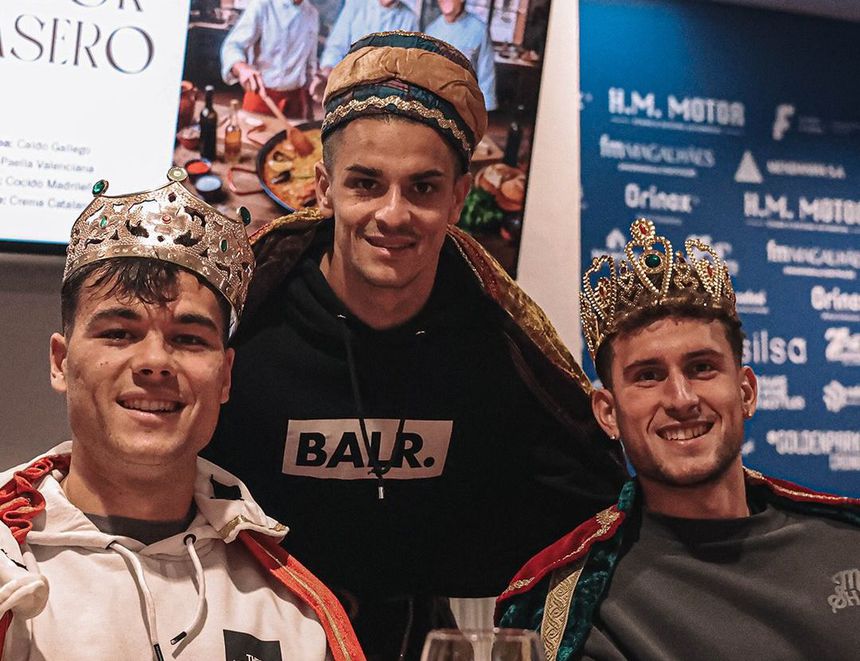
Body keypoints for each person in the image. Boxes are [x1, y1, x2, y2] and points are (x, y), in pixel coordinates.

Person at [205, 31, 627, 659]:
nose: (393, 214)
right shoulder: (245, 331)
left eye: (424, 188)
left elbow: (586, 511)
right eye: (365, 184)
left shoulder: (496, 350)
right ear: (323, 188)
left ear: (459, 196)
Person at [0, 168, 363, 660]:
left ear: (226, 375)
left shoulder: (292, 610)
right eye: (118, 333)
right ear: (61, 362)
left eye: (189, 339)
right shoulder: (7, 572)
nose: (154, 362)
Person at [497, 219, 860, 661]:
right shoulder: (564, 601)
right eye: (648, 377)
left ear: (745, 392)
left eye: (702, 367)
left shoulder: (847, 544)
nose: (681, 398)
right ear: (608, 413)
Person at [221, 0, 319, 118]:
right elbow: (232, 45)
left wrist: (308, 108)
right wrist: (242, 68)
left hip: (295, 102)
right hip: (261, 97)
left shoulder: (312, 14)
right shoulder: (262, 5)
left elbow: (310, 64)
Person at [310, 0, 419, 103]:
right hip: (348, 90)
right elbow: (336, 47)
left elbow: (406, 66)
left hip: (385, 95)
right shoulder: (356, 6)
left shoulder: (409, 18)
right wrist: (327, 74)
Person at [425, 0, 498, 111]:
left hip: (465, 106)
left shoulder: (479, 30)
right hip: (434, 104)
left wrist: (485, 109)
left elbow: (486, 73)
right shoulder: (431, 30)